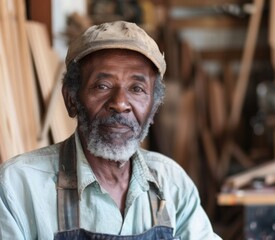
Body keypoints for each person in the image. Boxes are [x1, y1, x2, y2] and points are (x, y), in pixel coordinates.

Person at [0, 21, 221, 240]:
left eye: (137, 88)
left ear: (153, 108)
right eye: (102, 86)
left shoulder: (172, 184)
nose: (120, 103)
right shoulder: (18, 186)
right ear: (71, 99)